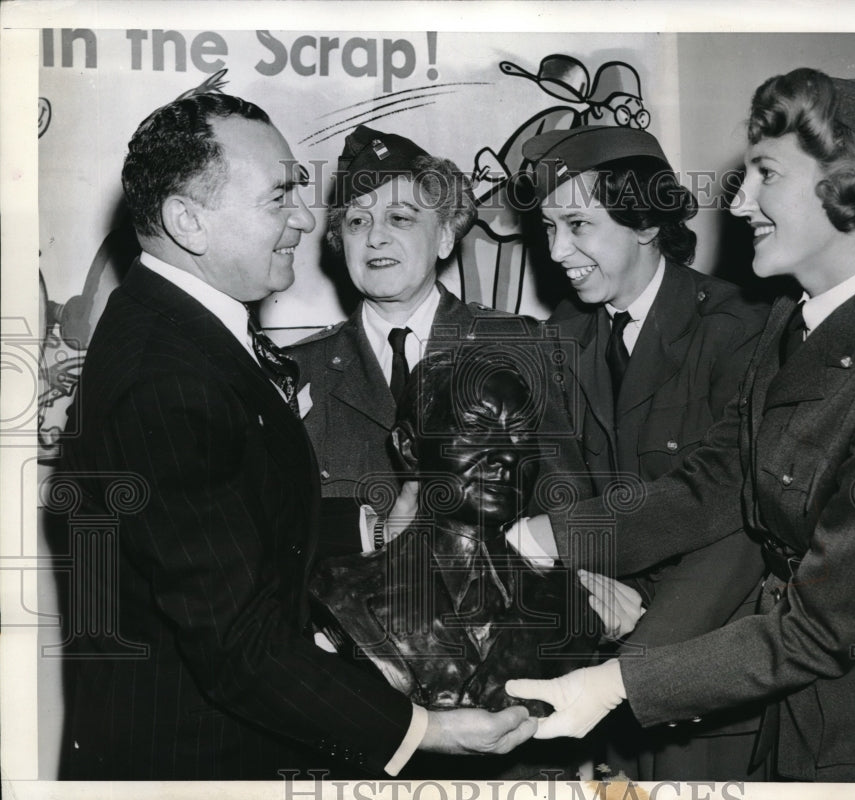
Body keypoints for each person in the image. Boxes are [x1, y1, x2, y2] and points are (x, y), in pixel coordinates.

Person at [507, 68, 855, 782]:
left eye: (765, 174)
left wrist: (616, 685)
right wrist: (548, 536)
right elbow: (716, 482)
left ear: (846, 190)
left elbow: (822, 627)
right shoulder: (796, 317)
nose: (738, 198)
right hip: (797, 716)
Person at [52, 91, 535, 780]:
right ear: (188, 220)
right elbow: (238, 647)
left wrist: (371, 525)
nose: (307, 221)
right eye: (279, 197)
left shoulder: (174, 330)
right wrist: (424, 729)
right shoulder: (167, 376)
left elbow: (222, 521)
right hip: (194, 757)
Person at [518, 125, 770, 779]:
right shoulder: (556, 342)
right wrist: (583, 590)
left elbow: (740, 511)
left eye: (577, 225)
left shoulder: (743, 330)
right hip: (596, 665)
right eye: (547, 228)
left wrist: (634, 667)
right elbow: (559, 487)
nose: (557, 252)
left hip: (706, 679)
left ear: (646, 221)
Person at [289, 125, 588, 559]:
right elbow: (271, 524)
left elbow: (567, 504)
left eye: (401, 218)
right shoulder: (298, 370)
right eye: (357, 222)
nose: (375, 237)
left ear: (446, 235)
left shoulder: (520, 346)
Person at [309, 349, 601, 716]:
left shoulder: (568, 602)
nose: (509, 456)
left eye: (522, 435)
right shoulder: (343, 590)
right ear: (410, 448)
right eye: (477, 429)